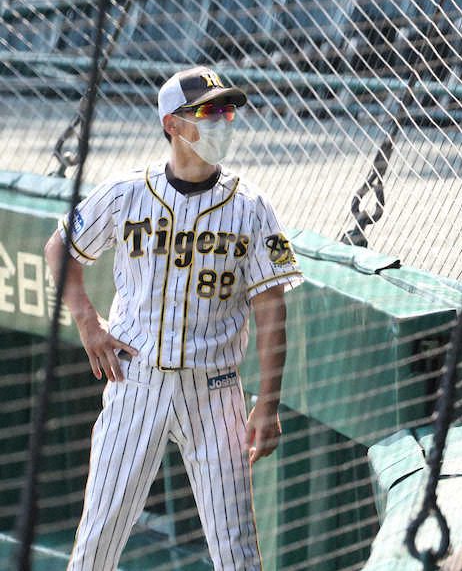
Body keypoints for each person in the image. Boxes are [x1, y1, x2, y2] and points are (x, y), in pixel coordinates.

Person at [45, 66, 303, 570]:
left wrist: (268, 405)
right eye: (209, 111)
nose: (224, 121)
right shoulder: (126, 193)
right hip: (135, 382)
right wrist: (87, 322)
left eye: (228, 110)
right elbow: (60, 248)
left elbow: (272, 310)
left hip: (217, 393)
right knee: (97, 540)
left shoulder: (252, 206)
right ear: (172, 123)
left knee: (238, 554)